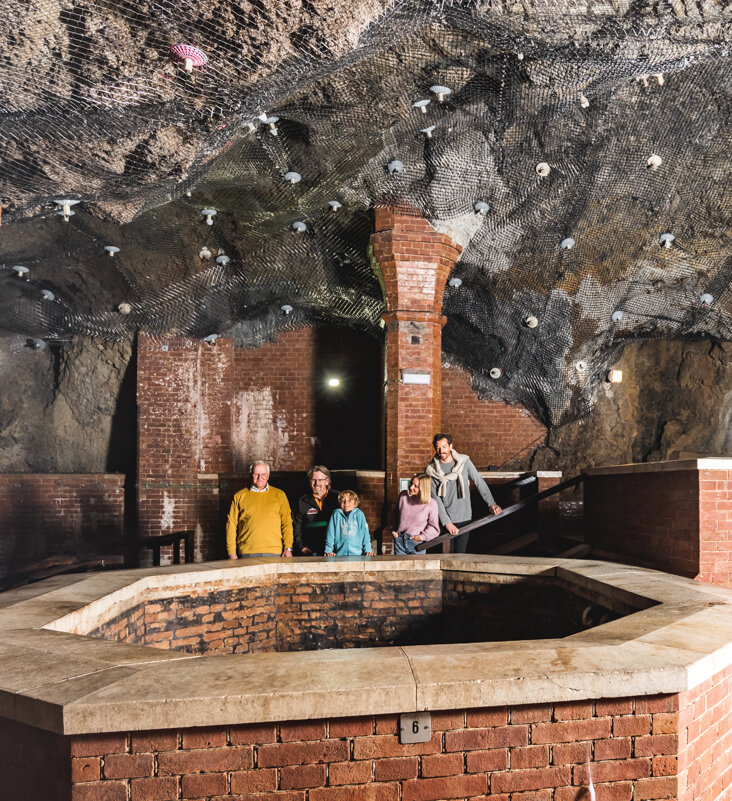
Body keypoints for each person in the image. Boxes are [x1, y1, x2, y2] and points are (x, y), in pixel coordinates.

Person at [425, 433, 502, 553]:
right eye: (438, 447)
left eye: (444, 447)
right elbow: (435, 499)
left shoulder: (464, 462)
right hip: (444, 520)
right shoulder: (431, 470)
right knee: (446, 558)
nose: (441, 451)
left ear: (451, 446)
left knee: (460, 555)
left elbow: (479, 482)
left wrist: (491, 503)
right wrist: (447, 523)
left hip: (464, 517)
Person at [226, 461, 293, 558]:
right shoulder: (239, 496)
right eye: (256, 474)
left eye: (263, 474)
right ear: (251, 475)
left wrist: (288, 548)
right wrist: (231, 552)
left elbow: (287, 523)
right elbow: (231, 524)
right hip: (246, 552)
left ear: (268, 475)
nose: (260, 477)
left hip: (274, 553)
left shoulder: (280, 495)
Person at [293, 465, 339, 555]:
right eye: (313, 480)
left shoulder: (338, 498)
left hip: (335, 549)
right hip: (311, 550)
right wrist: (301, 547)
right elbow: (296, 527)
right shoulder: (302, 501)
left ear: (327, 481)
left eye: (320, 480)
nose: (316, 483)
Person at [389, 473, 440, 555]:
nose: (411, 487)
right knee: (400, 568)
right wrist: (394, 532)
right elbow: (394, 516)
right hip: (399, 541)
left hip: (416, 544)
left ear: (423, 488)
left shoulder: (431, 503)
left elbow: (434, 528)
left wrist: (421, 537)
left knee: (417, 568)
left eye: (416, 486)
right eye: (411, 483)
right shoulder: (403, 496)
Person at [324, 490, 373, 556]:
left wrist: (368, 550)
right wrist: (328, 550)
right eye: (343, 501)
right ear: (340, 502)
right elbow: (330, 534)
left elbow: (365, 534)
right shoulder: (335, 514)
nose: (346, 503)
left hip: (358, 555)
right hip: (339, 555)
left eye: (349, 501)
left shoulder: (359, 514)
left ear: (355, 503)